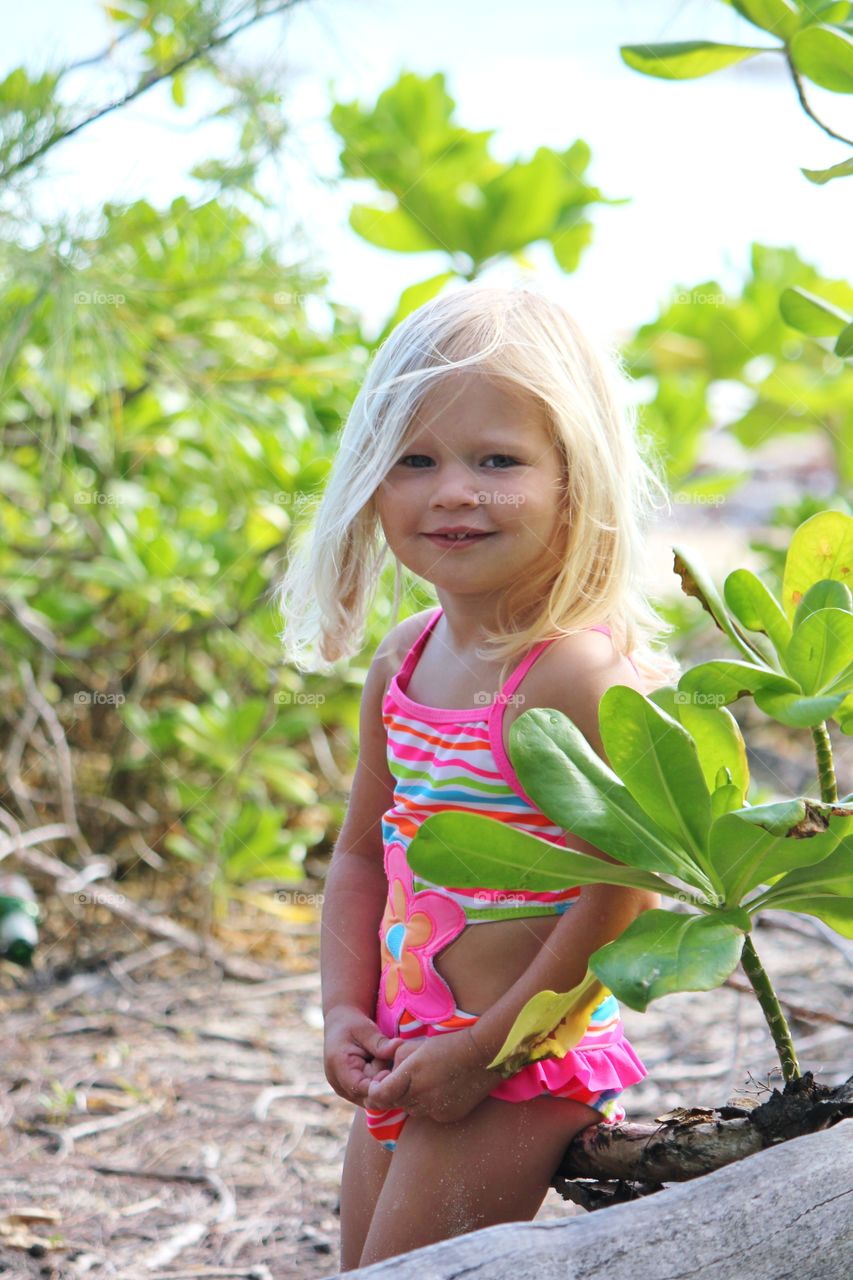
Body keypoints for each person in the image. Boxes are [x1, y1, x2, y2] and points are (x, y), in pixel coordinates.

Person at [276, 281, 681, 1270]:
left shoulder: (572, 672)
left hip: (522, 1062)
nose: (451, 490)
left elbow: (617, 893)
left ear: (570, 479)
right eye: (413, 460)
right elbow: (363, 856)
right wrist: (345, 1009)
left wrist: (490, 1046)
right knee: (362, 1261)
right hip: (411, 1043)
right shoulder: (403, 660)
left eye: (496, 459)